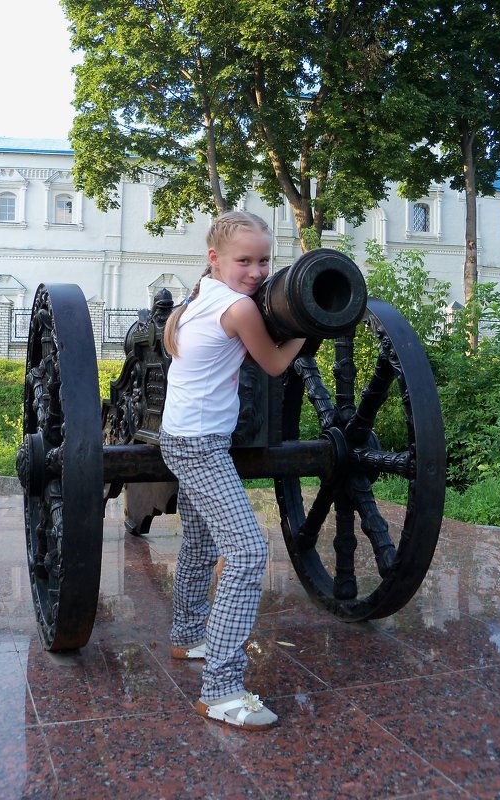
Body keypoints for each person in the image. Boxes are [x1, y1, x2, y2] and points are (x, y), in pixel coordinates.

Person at [160, 210, 305, 730]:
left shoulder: (201, 294)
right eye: (244, 260)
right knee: (246, 553)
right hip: (199, 445)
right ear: (215, 258)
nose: (257, 270)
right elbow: (275, 364)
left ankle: (187, 636)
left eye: (264, 260)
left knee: (200, 544)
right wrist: (305, 330)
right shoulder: (240, 308)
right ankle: (220, 689)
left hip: (183, 438)